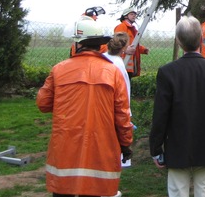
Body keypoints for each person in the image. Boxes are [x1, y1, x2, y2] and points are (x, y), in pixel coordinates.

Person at [37, 18, 133, 197]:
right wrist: (126, 145)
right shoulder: (113, 72)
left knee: (62, 191)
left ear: (78, 44)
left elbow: (43, 104)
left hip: (65, 149)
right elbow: (122, 115)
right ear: (101, 45)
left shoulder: (59, 70)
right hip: (100, 149)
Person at [149, 16, 205, 197]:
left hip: (177, 146)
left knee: (177, 191)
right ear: (201, 39)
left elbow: (161, 115)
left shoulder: (167, 72)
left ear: (178, 41)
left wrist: (156, 149)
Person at [115, 7, 149, 79]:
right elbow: (117, 42)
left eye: (135, 14)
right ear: (125, 16)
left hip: (130, 65)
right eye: (132, 14)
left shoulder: (133, 29)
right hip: (124, 63)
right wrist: (124, 49)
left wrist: (143, 50)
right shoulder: (121, 27)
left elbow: (135, 44)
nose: (134, 16)